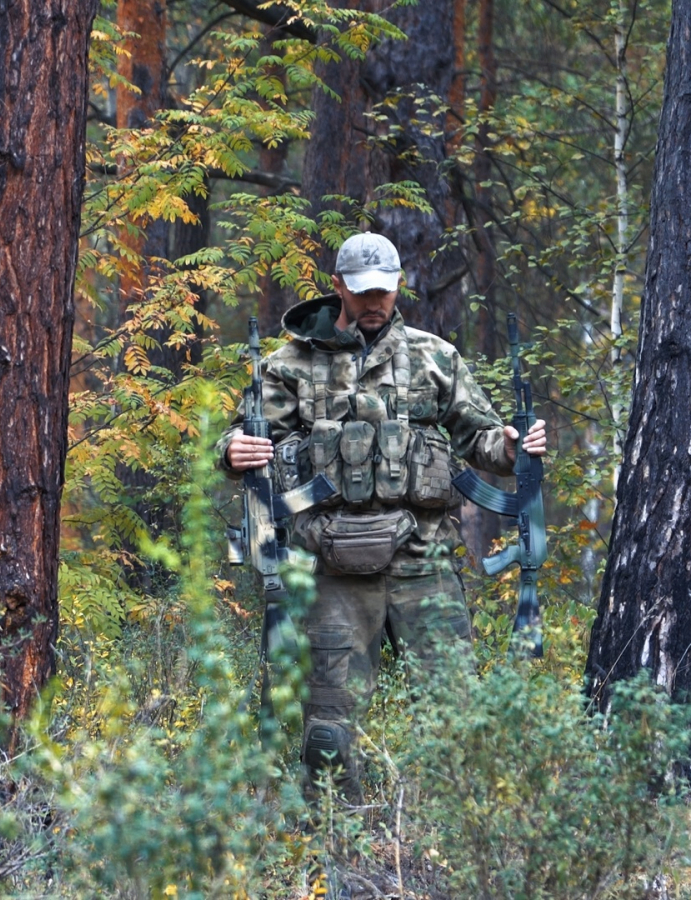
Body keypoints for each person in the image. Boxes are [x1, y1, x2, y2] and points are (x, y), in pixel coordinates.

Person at [218, 232, 546, 795]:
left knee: (457, 715)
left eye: (386, 292)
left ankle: (455, 844)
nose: (375, 303)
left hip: (425, 561)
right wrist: (231, 450)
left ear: (399, 288)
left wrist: (512, 446)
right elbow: (246, 438)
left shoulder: (434, 356)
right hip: (333, 569)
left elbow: (482, 438)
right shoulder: (289, 363)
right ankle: (337, 848)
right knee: (327, 730)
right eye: (364, 291)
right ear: (338, 285)